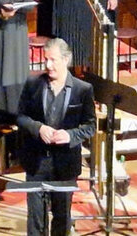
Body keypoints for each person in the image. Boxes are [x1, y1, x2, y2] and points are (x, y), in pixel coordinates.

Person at [16, 38, 96, 236]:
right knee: (35, 219)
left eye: (53, 60)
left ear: (66, 60)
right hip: (36, 162)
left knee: (61, 218)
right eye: (46, 59)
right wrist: (38, 128)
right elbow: (20, 117)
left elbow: (90, 126)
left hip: (65, 164)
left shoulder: (83, 89)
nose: (48, 65)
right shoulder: (33, 84)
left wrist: (70, 135)